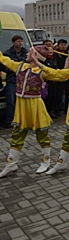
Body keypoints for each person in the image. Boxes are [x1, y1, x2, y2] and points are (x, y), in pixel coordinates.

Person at [0, 46, 55, 177]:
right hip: (21, 106)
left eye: (30, 52)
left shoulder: (42, 70)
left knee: (42, 133)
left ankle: (46, 161)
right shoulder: (20, 66)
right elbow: (4, 59)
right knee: (17, 133)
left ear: (36, 56)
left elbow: (57, 75)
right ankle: (11, 163)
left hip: (35, 105)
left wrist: (40, 64)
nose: (26, 53)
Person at [1, 36, 28, 128]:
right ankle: (9, 120)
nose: (20, 43)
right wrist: (11, 69)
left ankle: (20, 120)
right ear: (13, 42)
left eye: (21, 41)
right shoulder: (7, 53)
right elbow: (3, 66)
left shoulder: (26, 53)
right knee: (10, 101)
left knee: (22, 102)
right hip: (12, 80)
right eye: (18, 41)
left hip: (23, 82)